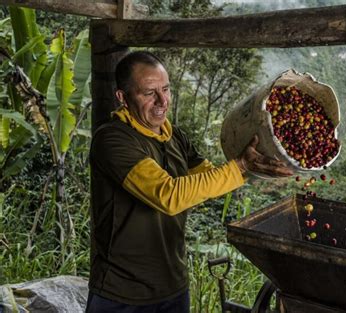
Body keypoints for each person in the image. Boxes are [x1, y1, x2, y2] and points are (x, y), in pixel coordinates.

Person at [86, 51, 293, 313]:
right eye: (149, 93)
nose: (162, 101)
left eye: (166, 89)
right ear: (123, 98)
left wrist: (255, 164)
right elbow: (168, 196)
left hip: (172, 286)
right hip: (121, 293)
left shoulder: (175, 137)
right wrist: (239, 166)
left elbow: (208, 179)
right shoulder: (113, 140)